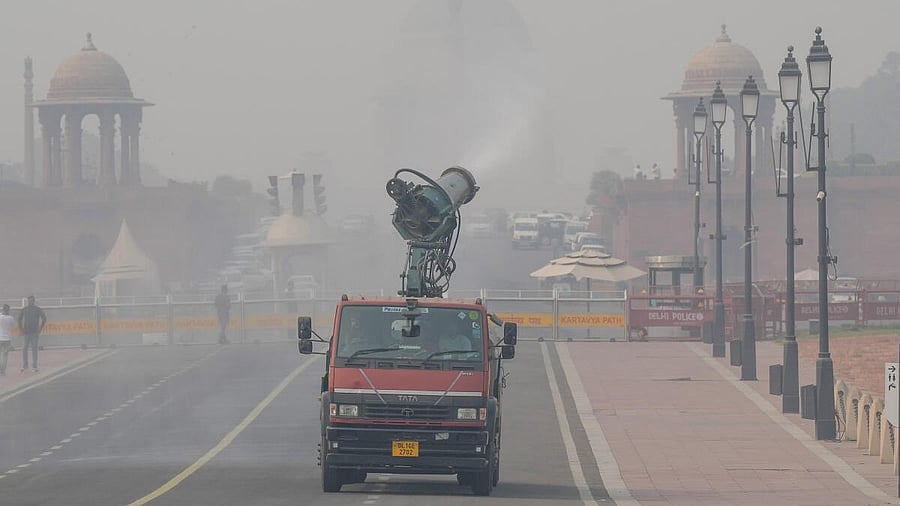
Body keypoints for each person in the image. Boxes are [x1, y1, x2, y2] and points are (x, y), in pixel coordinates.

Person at [18, 295, 46, 373]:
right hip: (26, 333)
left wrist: (40, 328)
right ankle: (25, 365)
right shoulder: (24, 309)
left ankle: (34, 366)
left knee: (34, 349)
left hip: (34, 332)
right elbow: (19, 319)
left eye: (31, 301)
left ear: (33, 301)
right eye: (28, 301)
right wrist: (21, 329)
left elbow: (44, 318)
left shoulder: (37, 309)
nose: (29, 302)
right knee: (24, 348)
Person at [0, 304, 15, 375]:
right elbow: (13, 326)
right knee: (5, 355)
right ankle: (2, 370)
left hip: (0, 337)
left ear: (2, 309)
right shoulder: (10, 318)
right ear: (8, 310)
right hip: (7, 339)